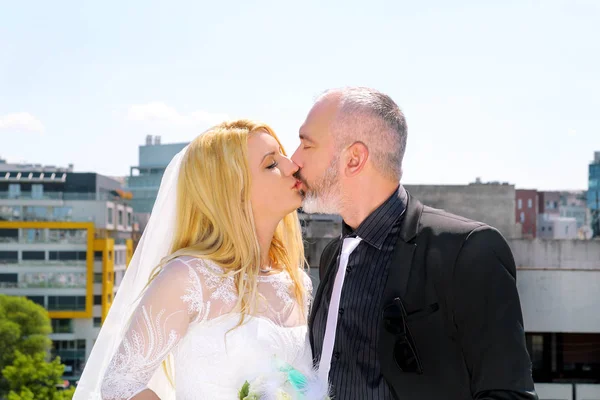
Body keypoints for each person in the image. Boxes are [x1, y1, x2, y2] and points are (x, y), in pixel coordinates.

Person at [291, 87, 539, 400]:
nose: (293, 159)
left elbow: (508, 394)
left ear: (353, 159)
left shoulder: (468, 252)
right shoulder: (332, 256)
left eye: (306, 145)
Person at [74, 120, 328, 400]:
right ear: (232, 191)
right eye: (271, 164)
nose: (292, 165)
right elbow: (121, 385)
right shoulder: (188, 277)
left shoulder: (296, 281)